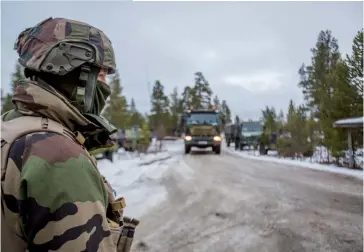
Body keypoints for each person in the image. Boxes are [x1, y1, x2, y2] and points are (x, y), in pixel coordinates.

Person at [1, 17, 137, 252]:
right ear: (79, 75)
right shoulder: (58, 156)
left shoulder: (10, 127)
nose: (106, 88)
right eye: (102, 75)